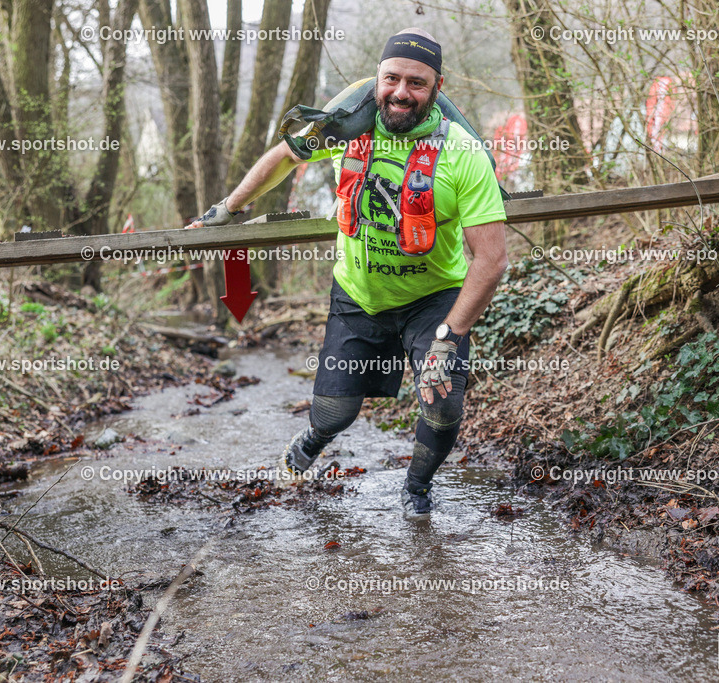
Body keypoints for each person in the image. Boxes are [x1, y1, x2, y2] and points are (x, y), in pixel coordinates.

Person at [185, 28, 508, 518]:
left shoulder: (461, 153)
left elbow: (491, 259)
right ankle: (313, 439)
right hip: (358, 294)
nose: (401, 92)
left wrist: (449, 337)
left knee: (443, 404)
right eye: (392, 79)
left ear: (436, 88)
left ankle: (417, 490)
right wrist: (227, 210)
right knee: (336, 412)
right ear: (377, 80)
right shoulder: (346, 126)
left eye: (416, 84)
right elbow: (283, 158)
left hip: (433, 298)